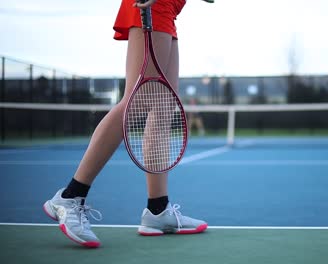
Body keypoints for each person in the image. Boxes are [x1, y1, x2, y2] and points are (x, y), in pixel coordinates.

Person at [43, 0, 211, 248]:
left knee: (162, 106)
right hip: (154, 4)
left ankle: (158, 210)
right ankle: (70, 196)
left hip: (169, 9)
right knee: (137, 100)